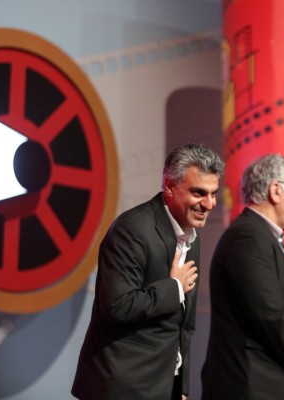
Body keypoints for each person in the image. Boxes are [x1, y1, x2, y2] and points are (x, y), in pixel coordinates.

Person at [72, 143, 224, 400]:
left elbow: (185, 326)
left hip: (165, 384)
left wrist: (182, 386)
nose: (209, 204)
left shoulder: (192, 235)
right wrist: (174, 288)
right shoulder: (132, 229)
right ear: (169, 187)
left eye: (213, 194)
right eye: (199, 193)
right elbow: (118, 306)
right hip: (124, 386)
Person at [201, 154, 284, 399]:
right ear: (276, 190)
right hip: (251, 385)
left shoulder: (263, 236)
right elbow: (269, 314)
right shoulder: (247, 236)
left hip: (273, 382)